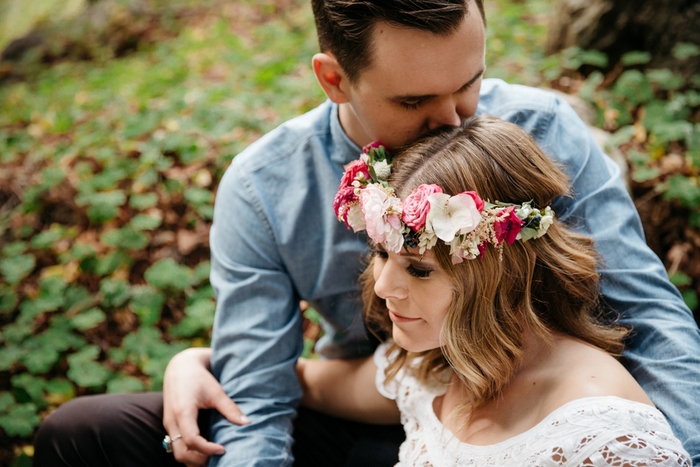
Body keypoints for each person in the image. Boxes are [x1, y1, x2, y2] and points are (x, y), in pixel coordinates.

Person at [33, 0, 700, 466]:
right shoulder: (265, 186)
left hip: (524, 417)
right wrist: (205, 361)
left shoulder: (542, 131)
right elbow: (260, 401)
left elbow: (646, 315)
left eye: (467, 85)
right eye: (413, 102)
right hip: (376, 409)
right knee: (85, 431)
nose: (452, 121)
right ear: (335, 78)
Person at [296, 115, 692, 465]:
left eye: (418, 270)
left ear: (501, 272)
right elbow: (312, 384)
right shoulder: (437, 366)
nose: (383, 287)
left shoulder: (603, 436)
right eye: (382, 254)